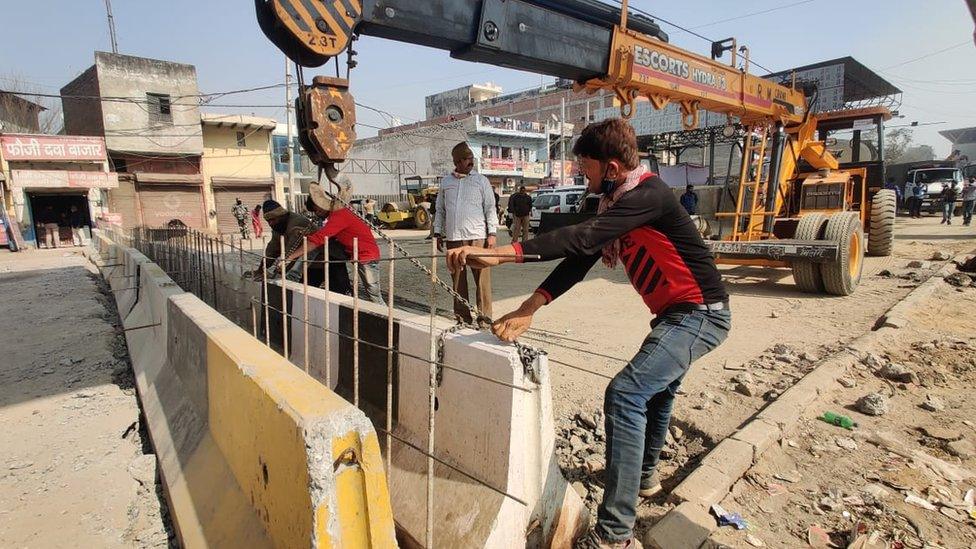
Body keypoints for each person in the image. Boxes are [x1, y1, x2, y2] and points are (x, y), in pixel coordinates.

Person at [447, 118, 730, 549]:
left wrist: (502, 255)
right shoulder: (617, 202)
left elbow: (581, 238)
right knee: (657, 391)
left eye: (588, 167)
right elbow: (578, 261)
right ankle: (644, 480)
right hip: (677, 314)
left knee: (627, 393)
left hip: (700, 315)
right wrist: (528, 307)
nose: (583, 174)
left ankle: (615, 534)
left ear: (612, 168)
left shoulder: (647, 196)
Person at [285, 182, 385, 305]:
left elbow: (319, 238)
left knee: (374, 295)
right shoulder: (338, 213)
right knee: (318, 245)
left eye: (317, 210)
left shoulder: (340, 215)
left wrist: (290, 256)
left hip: (367, 256)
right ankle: (293, 276)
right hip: (352, 253)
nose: (316, 214)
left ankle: (386, 317)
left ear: (322, 205)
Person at [435, 142, 497, 325]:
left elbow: (490, 208)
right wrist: (437, 232)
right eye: (466, 159)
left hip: (477, 238)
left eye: (471, 158)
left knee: (482, 281)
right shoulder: (446, 182)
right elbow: (440, 209)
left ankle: (484, 318)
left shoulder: (481, 181)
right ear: (457, 161)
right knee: (458, 281)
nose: (470, 162)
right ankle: (462, 317)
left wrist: (492, 234)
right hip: (454, 239)